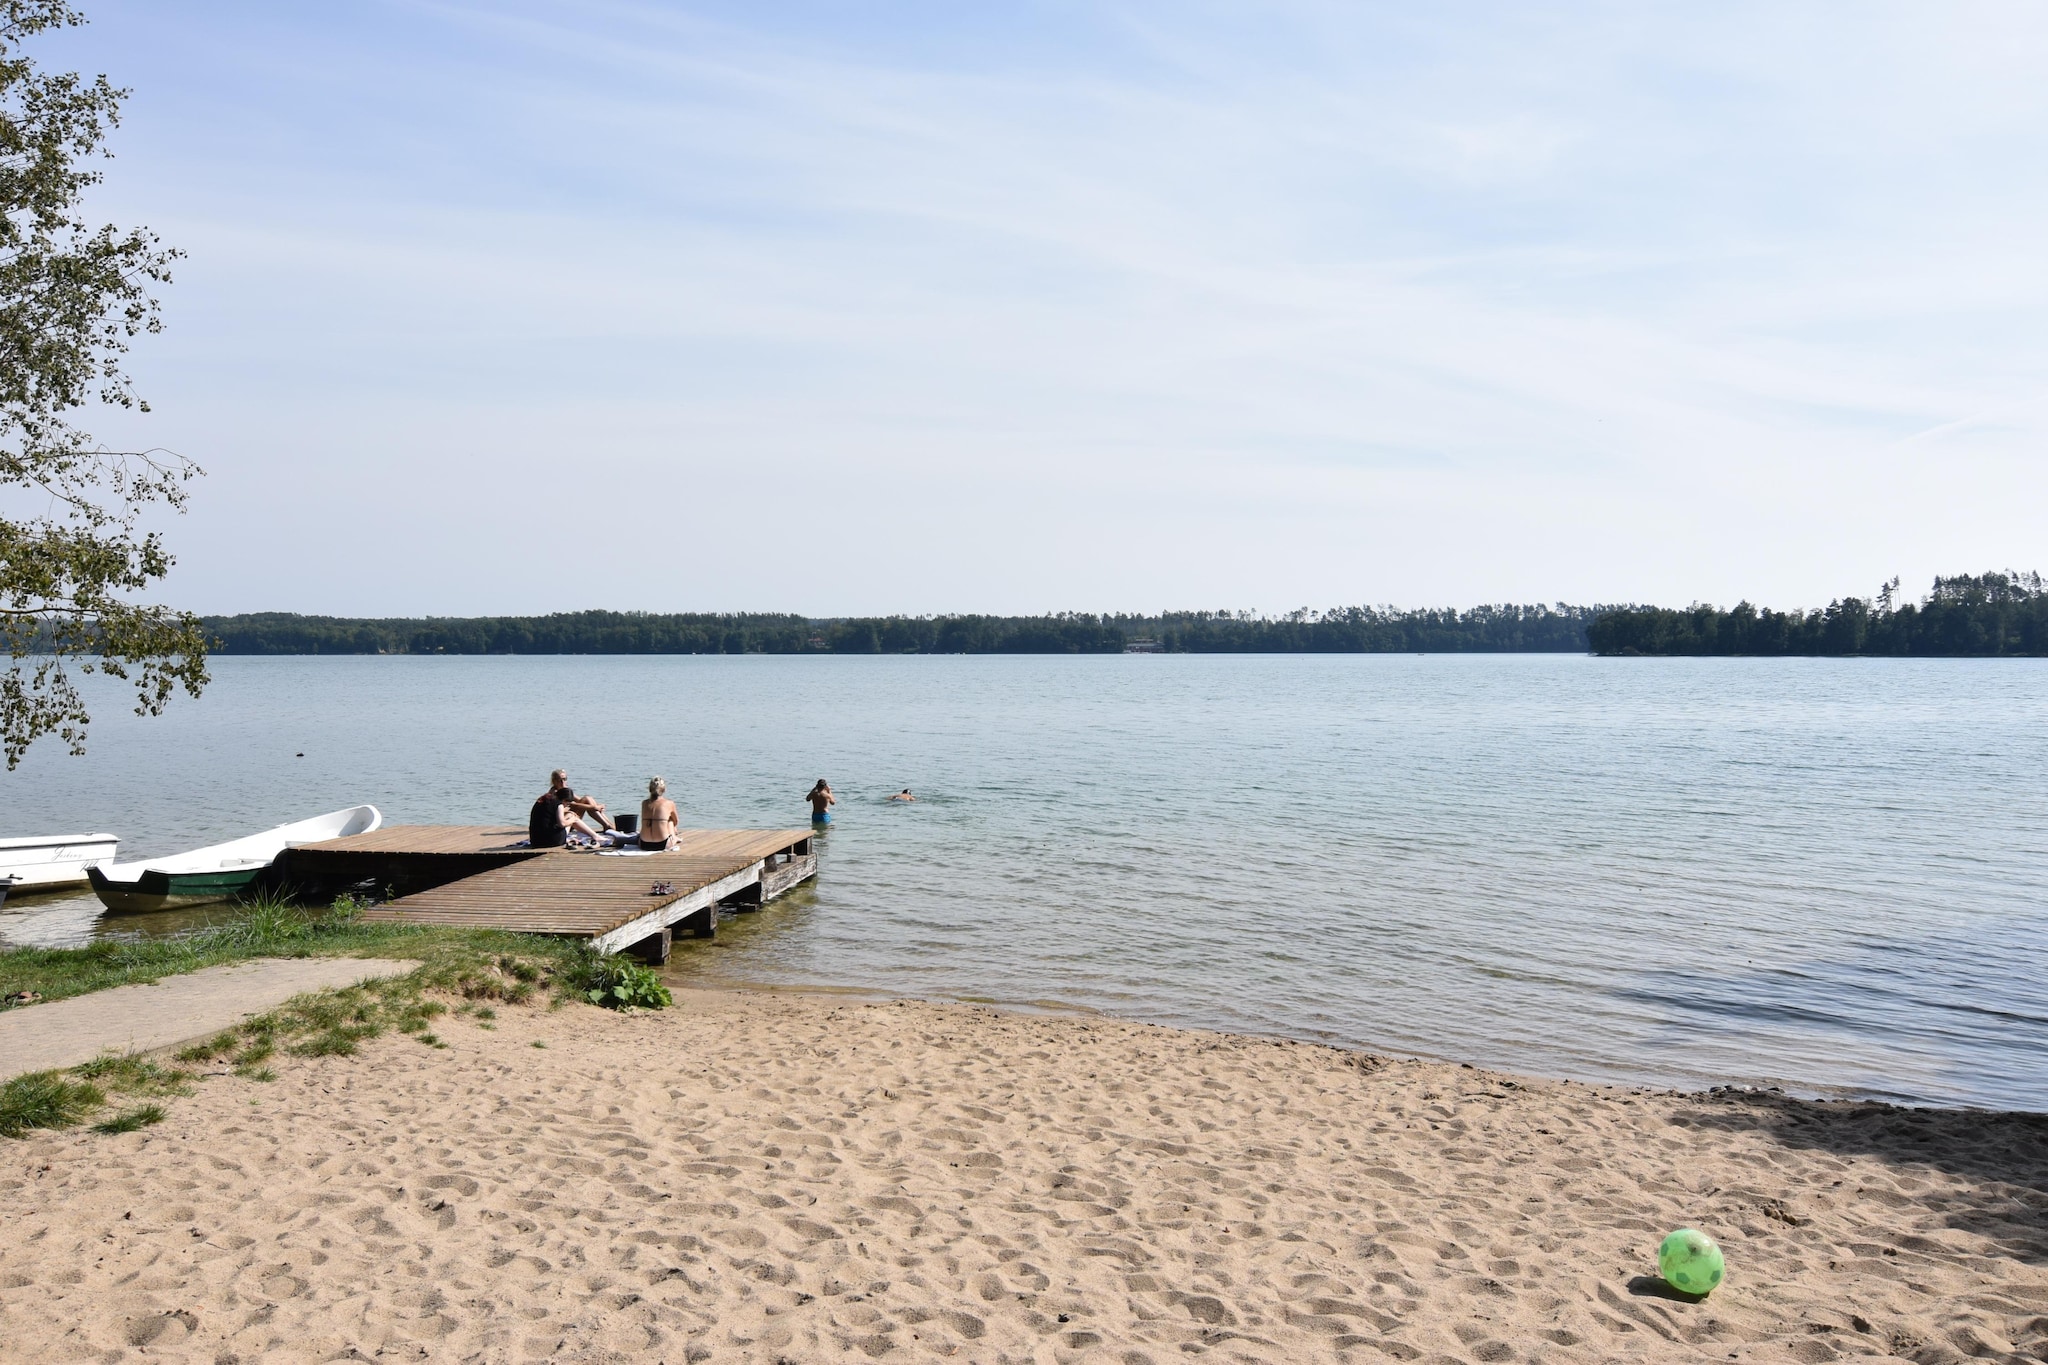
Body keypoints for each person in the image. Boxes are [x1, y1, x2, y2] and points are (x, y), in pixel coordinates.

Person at [549, 768, 615, 835]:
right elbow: (575, 805)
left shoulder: (564, 790)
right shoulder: (555, 793)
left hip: (570, 818)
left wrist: (596, 806)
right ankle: (607, 825)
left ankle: (608, 824)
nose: (563, 782)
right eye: (560, 780)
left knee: (588, 798)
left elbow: (580, 800)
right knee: (588, 802)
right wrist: (595, 807)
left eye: (564, 779)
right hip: (566, 822)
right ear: (554, 781)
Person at [640, 777, 679, 851]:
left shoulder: (644, 803)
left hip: (644, 844)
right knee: (670, 820)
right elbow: (676, 821)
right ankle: (674, 838)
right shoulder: (669, 803)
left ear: (650, 789)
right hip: (662, 844)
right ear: (664, 790)